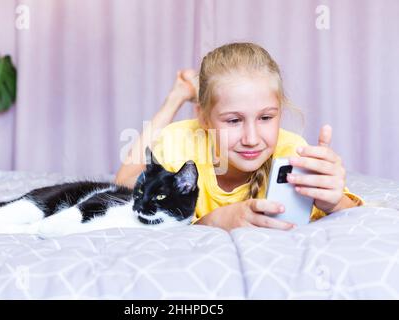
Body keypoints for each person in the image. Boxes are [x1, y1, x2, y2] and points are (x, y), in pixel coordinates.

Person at [115, 42, 364, 232]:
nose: (251, 139)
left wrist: (335, 203)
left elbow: (356, 216)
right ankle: (178, 95)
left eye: (266, 118)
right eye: (234, 120)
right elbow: (125, 186)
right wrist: (212, 222)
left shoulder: (292, 153)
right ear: (203, 118)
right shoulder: (181, 142)